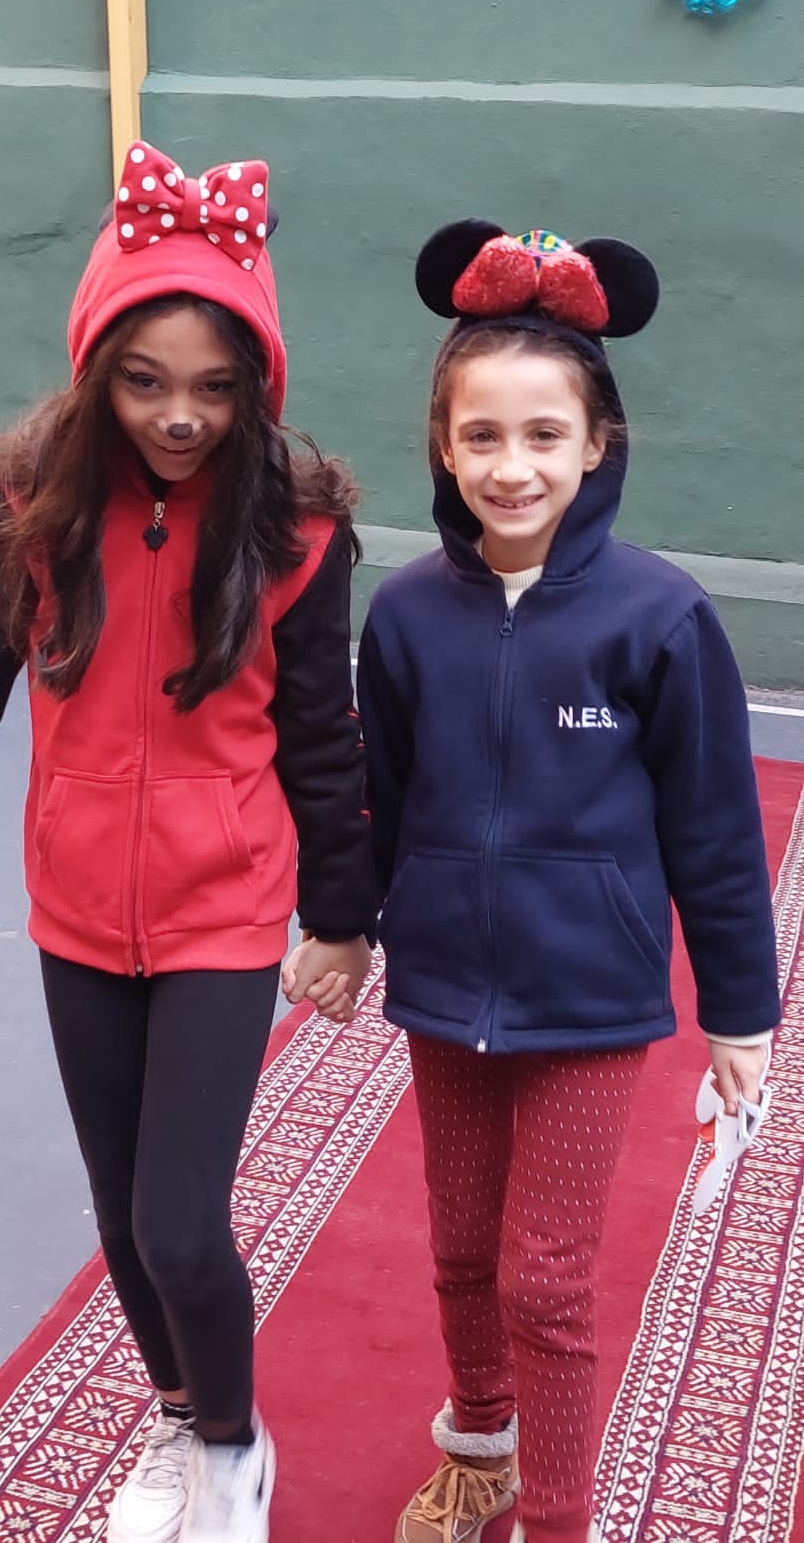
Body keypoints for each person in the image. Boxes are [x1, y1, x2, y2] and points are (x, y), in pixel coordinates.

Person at [0, 140, 376, 1543]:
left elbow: (324, 737)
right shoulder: (22, 514)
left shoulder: (296, 533)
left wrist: (341, 920)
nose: (180, 416)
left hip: (221, 912)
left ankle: (232, 1451)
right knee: (119, 1222)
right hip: (74, 912)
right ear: (95, 367)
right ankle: (181, 1418)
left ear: (257, 386)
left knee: (178, 1224)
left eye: (216, 388)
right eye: (146, 380)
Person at [355, 221, 780, 1543]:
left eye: (545, 435)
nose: (512, 465)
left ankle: (560, 1516)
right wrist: (338, 925)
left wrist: (741, 1012)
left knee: (543, 1278)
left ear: (598, 445)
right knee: (460, 1253)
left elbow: (716, 831)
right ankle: (479, 1448)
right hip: (444, 987)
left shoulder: (659, 618)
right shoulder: (404, 613)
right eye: (481, 435)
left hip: (589, 1000)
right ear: (442, 447)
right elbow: (375, 799)